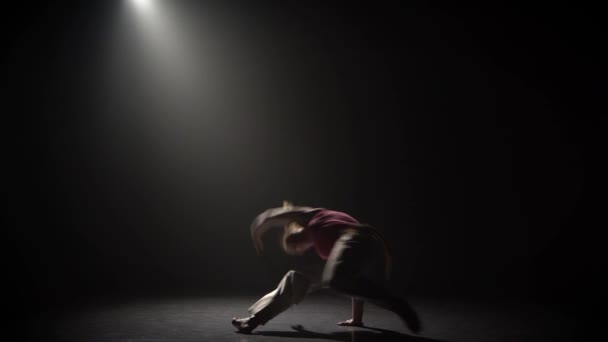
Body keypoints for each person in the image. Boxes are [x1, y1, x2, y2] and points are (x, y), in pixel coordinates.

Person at [231, 201, 421, 334]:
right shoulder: (326, 249)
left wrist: (257, 231)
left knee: (335, 278)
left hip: (357, 236)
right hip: (352, 247)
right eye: (298, 248)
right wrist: (357, 319)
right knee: (296, 279)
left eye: (297, 242)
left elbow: (270, 215)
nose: (302, 247)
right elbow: (353, 280)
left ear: (299, 229)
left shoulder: (313, 215)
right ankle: (253, 321)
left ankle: (396, 303)